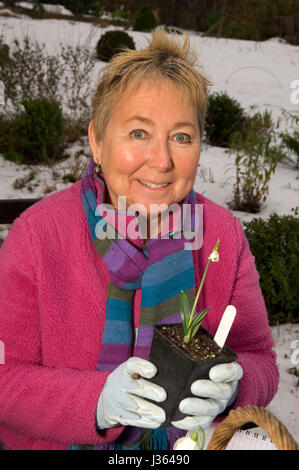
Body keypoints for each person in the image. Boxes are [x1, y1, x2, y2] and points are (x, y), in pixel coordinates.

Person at [0, 29, 278, 451]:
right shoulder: (37, 237)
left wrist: (236, 388)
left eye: (181, 137)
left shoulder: (222, 235)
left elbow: (260, 360)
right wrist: (96, 401)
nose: (162, 160)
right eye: (138, 133)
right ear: (96, 140)